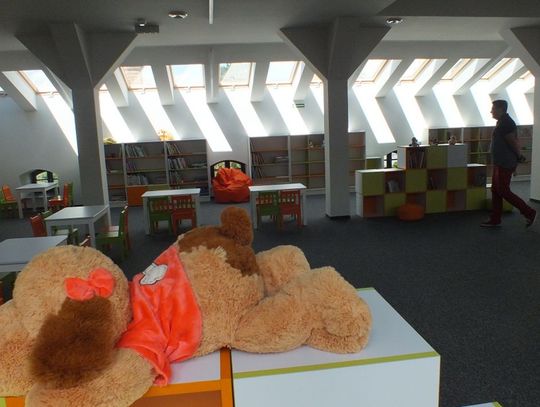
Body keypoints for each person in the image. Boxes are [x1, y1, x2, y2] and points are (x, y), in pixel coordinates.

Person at [481, 100, 537, 228]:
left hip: (505, 163)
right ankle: (495, 219)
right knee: (496, 190)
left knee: (503, 191)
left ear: (500, 109)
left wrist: (519, 156)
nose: (491, 111)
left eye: (493, 109)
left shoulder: (506, 123)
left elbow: (513, 142)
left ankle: (529, 212)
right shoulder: (502, 122)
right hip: (500, 162)